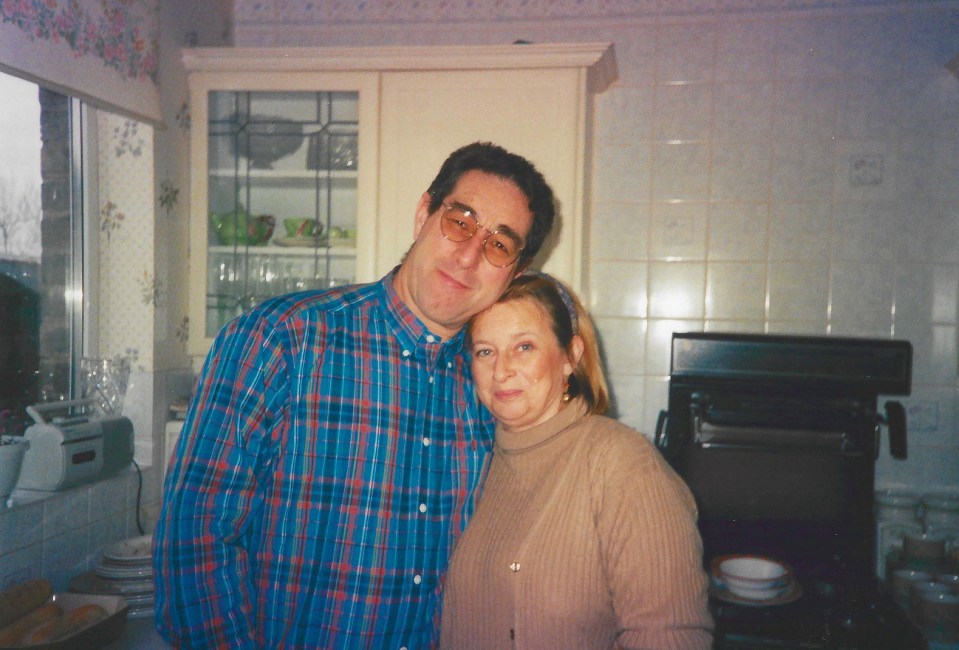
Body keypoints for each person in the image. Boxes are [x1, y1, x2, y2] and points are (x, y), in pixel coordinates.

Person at [152, 142, 557, 648]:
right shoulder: (282, 339)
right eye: (460, 221)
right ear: (424, 213)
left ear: (515, 273)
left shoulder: (496, 388)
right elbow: (193, 544)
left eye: (499, 245)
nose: (470, 253)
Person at [440, 274, 714, 649]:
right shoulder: (475, 462)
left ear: (571, 356)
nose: (501, 370)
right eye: (485, 351)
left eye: (523, 347)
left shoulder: (623, 464)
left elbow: (670, 638)